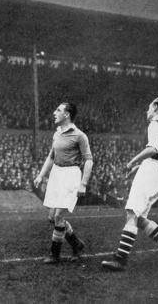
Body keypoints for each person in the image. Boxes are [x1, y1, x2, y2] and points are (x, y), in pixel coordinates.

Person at [101, 97, 158, 271]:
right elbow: (157, 156)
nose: (147, 111)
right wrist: (139, 166)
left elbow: (153, 149)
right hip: (157, 171)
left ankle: (120, 260)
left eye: (148, 107)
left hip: (151, 171)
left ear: (155, 108)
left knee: (132, 213)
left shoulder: (155, 124)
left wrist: (132, 162)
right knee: (139, 219)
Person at [34, 102, 93, 264]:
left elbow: (89, 160)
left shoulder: (80, 135)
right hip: (56, 174)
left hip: (71, 175)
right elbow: (51, 157)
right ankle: (76, 244)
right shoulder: (57, 133)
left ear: (67, 114)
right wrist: (41, 175)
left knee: (59, 215)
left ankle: (55, 255)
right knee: (52, 217)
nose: (54, 112)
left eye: (58, 110)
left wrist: (83, 183)